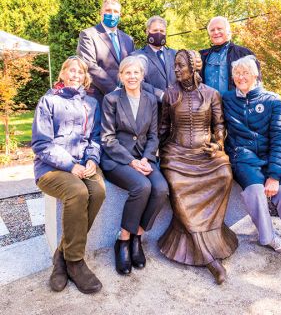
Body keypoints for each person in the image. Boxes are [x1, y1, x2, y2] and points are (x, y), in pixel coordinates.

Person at [222, 56, 281, 259]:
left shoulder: (272, 100)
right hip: (244, 157)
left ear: (255, 75)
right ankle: (270, 238)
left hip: (271, 157)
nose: (240, 77)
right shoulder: (227, 99)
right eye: (237, 73)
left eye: (245, 72)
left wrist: (274, 175)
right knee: (255, 191)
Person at [158, 49, 238, 285]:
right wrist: (154, 152)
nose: (176, 70)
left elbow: (219, 124)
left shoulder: (212, 94)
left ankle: (214, 237)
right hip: (176, 154)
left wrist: (219, 143)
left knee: (224, 174)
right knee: (176, 184)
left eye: (180, 65)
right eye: (175, 65)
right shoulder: (170, 94)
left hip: (205, 153)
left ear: (194, 67)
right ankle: (208, 257)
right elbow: (162, 127)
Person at [32, 56, 106, 294]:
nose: (75, 75)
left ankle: (61, 257)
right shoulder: (48, 101)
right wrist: (69, 165)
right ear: (63, 74)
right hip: (51, 168)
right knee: (77, 191)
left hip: (83, 165)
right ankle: (75, 262)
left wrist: (93, 159)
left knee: (98, 191)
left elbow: (95, 139)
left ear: (85, 78)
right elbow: (42, 144)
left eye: (80, 72)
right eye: (71, 70)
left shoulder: (91, 104)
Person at [100, 55, 168, 275]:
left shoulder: (150, 100)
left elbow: (153, 135)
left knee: (161, 189)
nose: (132, 76)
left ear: (142, 75)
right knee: (142, 186)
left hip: (144, 158)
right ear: (121, 76)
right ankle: (123, 239)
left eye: (136, 72)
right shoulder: (111, 99)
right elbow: (107, 138)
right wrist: (131, 161)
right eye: (127, 72)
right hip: (118, 160)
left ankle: (137, 235)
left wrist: (147, 159)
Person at [77, 0, 135, 104]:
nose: (112, 14)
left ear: (120, 14)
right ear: (101, 13)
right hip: (98, 98)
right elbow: (89, 66)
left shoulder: (128, 39)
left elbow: (132, 66)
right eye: (108, 10)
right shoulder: (88, 35)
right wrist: (114, 90)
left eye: (116, 11)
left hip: (126, 98)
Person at [200, 16, 261, 94]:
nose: (216, 32)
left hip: (235, 105)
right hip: (208, 104)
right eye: (212, 30)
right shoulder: (202, 56)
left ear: (228, 31)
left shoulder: (244, 53)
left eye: (219, 29)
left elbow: (257, 81)